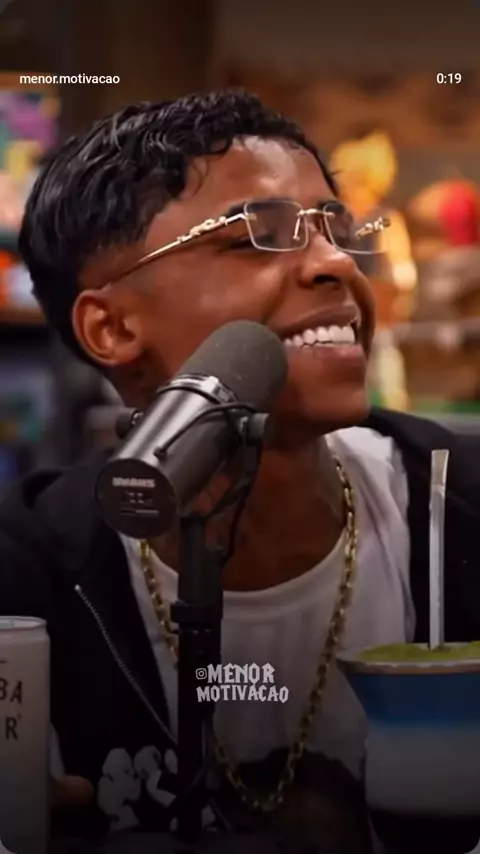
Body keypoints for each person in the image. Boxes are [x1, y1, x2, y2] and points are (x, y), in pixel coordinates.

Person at [1, 90, 480, 854]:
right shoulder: (25, 575)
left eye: (333, 228)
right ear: (112, 326)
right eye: (260, 235)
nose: (335, 263)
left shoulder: (462, 503)